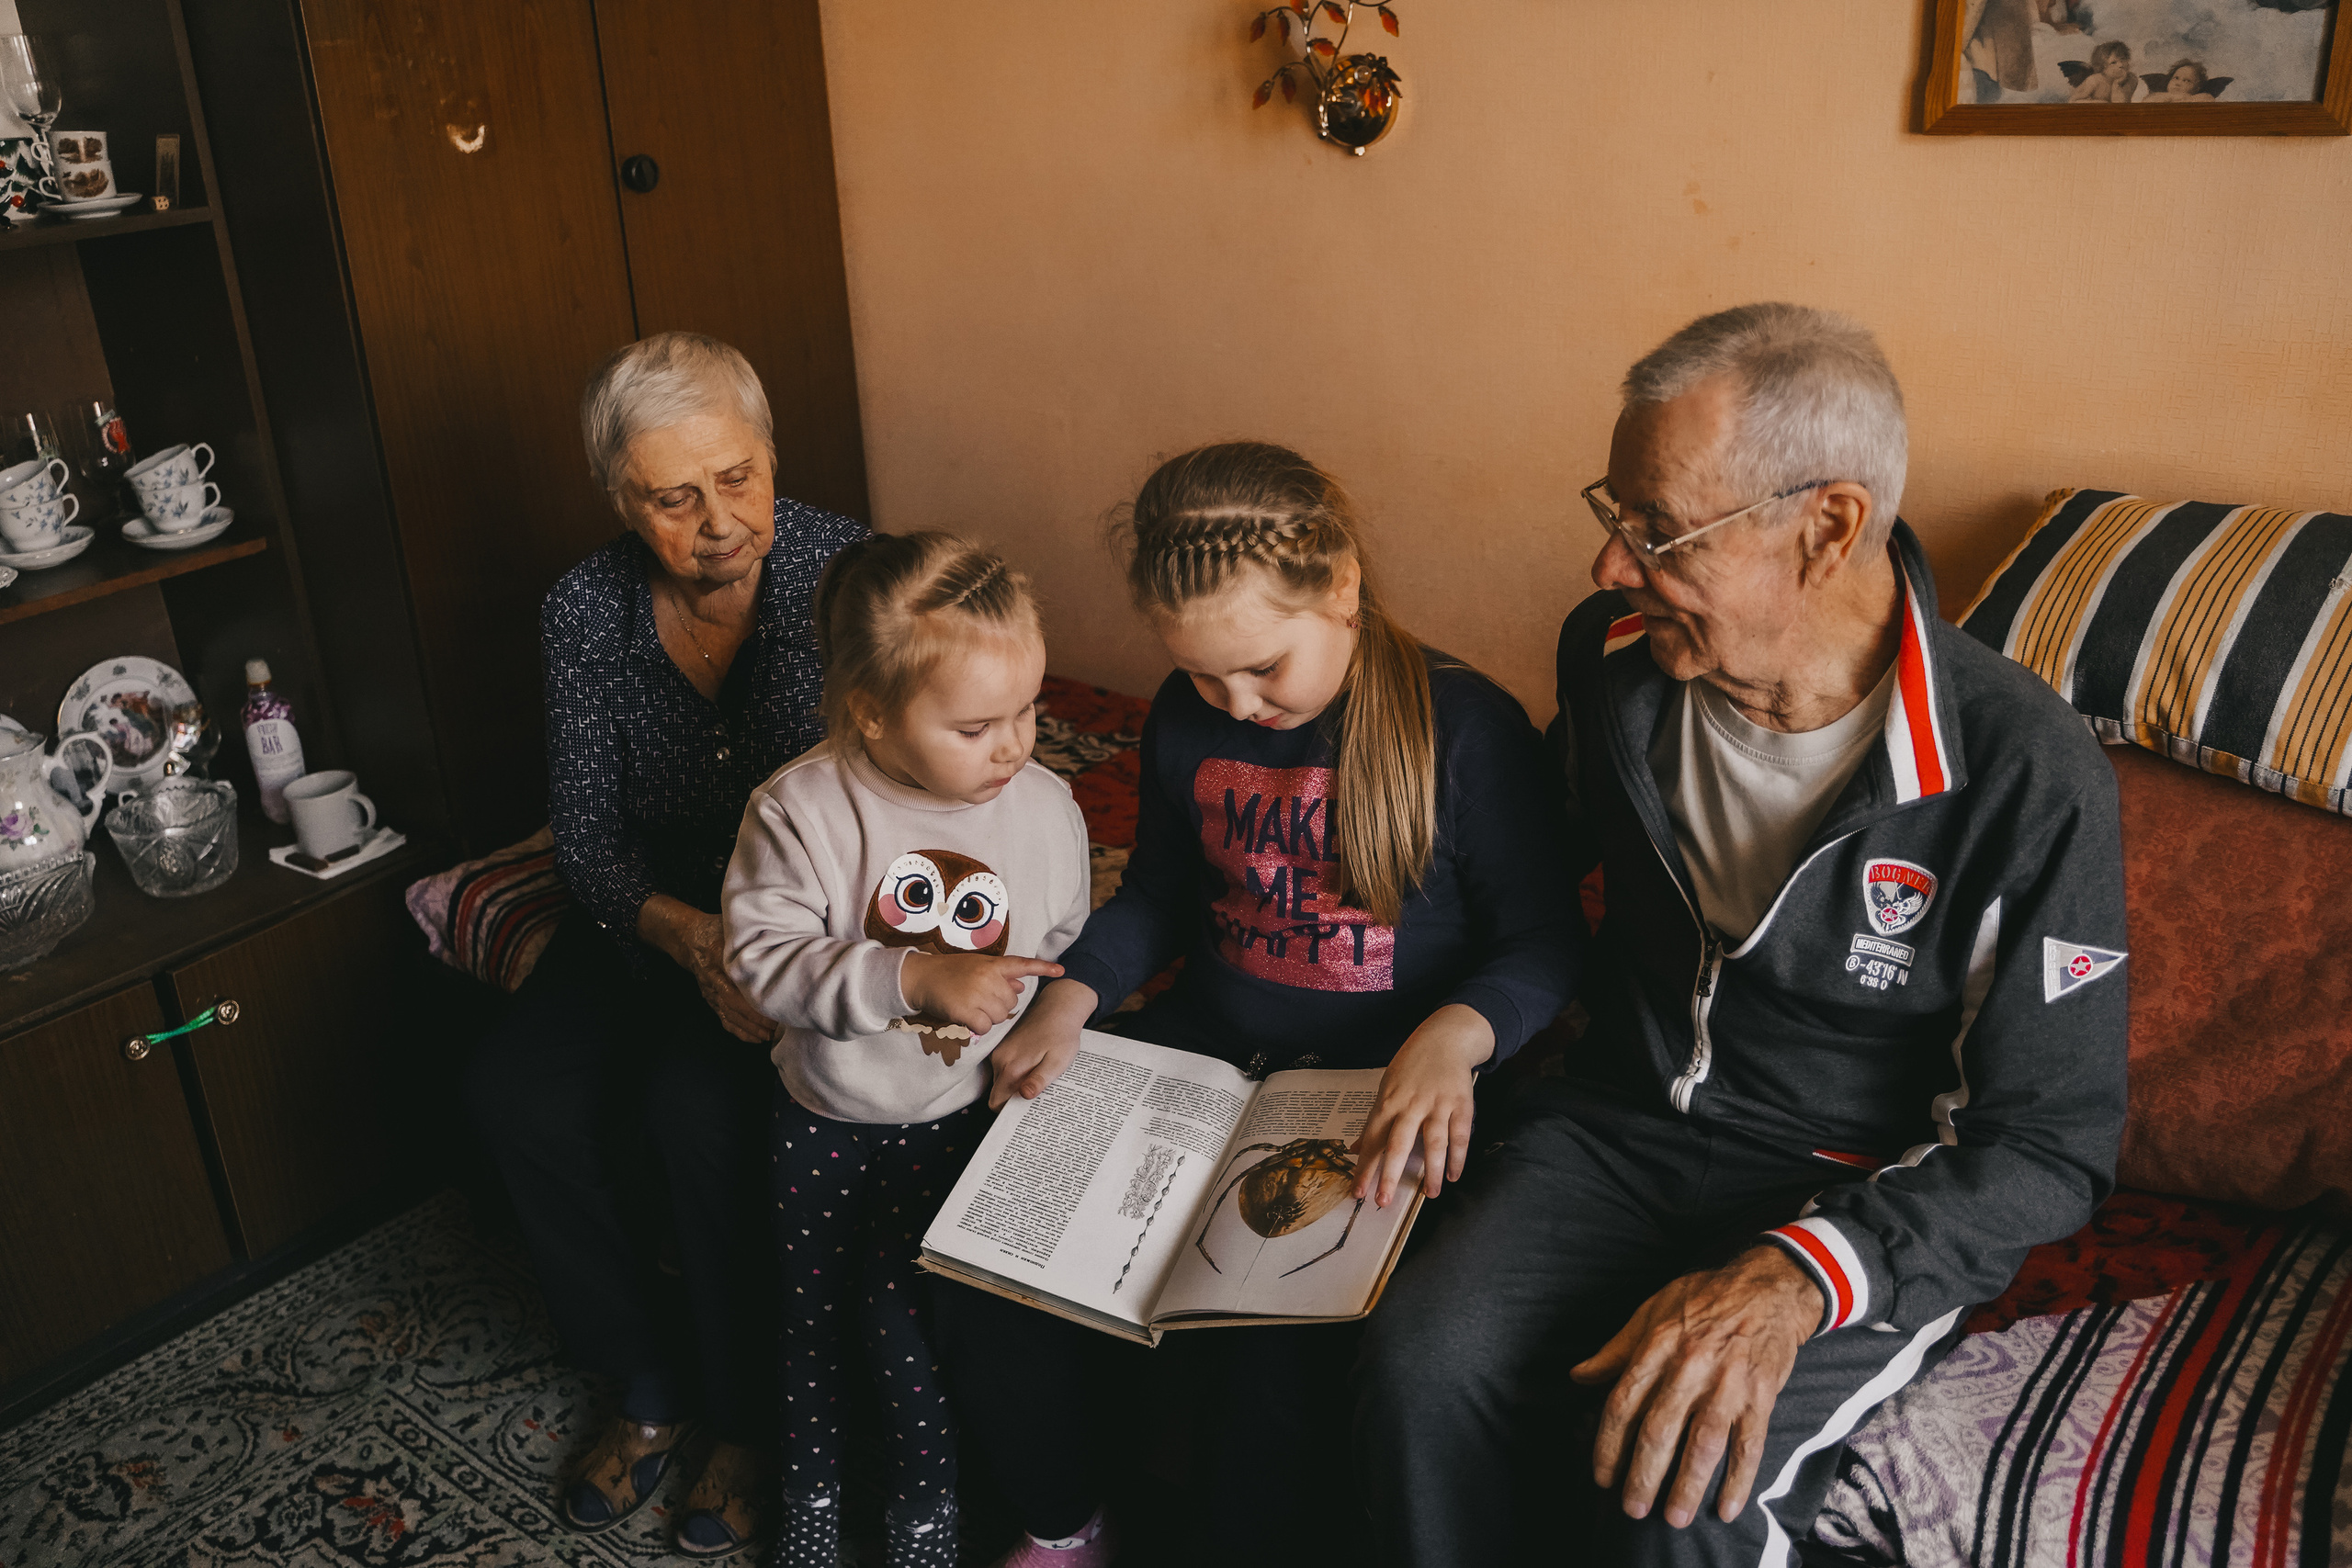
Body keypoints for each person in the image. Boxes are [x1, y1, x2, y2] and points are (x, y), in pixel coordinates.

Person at [1352, 303, 2130, 1566]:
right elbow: (1524, 875)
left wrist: (1799, 1274)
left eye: (1656, 530)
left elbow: (2050, 1140)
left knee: (1676, 1491)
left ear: (1826, 528)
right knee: (1419, 1364)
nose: (1609, 566)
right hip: (1616, 1127)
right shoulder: (1615, 658)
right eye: (1613, 514)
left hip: (1849, 1182)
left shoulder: (2024, 775)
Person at [958, 441, 1585, 1566]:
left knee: (1265, 1356)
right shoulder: (1185, 714)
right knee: (1000, 1259)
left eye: (1260, 670)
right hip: (1202, 1057)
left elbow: (1545, 941)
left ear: (1340, 586)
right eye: (1203, 677)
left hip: (1369, 1086)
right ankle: (1066, 1524)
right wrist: (1074, 998)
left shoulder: (1465, 730)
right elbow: (1157, 890)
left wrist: (1456, 1036)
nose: (1236, 705)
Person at [462, 332, 865, 1555]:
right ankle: (644, 1378)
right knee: (513, 1094)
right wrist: (688, 939)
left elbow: (902, 800)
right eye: (673, 498)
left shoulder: (852, 576)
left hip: (801, 917)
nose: (719, 521)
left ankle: (745, 1421)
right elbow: (584, 839)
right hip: (649, 913)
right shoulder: (584, 610)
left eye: (737, 477)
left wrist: (769, 952)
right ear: (620, 500)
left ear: (773, 455)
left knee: (699, 1115)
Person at [721, 533, 1091, 1568]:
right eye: (975, 727)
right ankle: (812, 1489)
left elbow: (1060, 939)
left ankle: (924, 1512)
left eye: (1027, 710)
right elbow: (761, 962)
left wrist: (1039, 1019)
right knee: (807, 1322)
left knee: (906, 1332)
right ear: (873, 711)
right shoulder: (801, 810)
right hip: (824, 1120)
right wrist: (912, 977)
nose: (1013, 747)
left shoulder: (1046, 809)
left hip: (961, 1129)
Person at [2070, 39, 2136, 100]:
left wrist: (2117, 84)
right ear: (2102, 67)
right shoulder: (2094, 81)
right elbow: (2073, 101)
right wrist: (2101, 103)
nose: (2121, 65)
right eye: (2113, 63)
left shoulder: (2131, 79)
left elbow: (2119, 105)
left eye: (2123, 59)